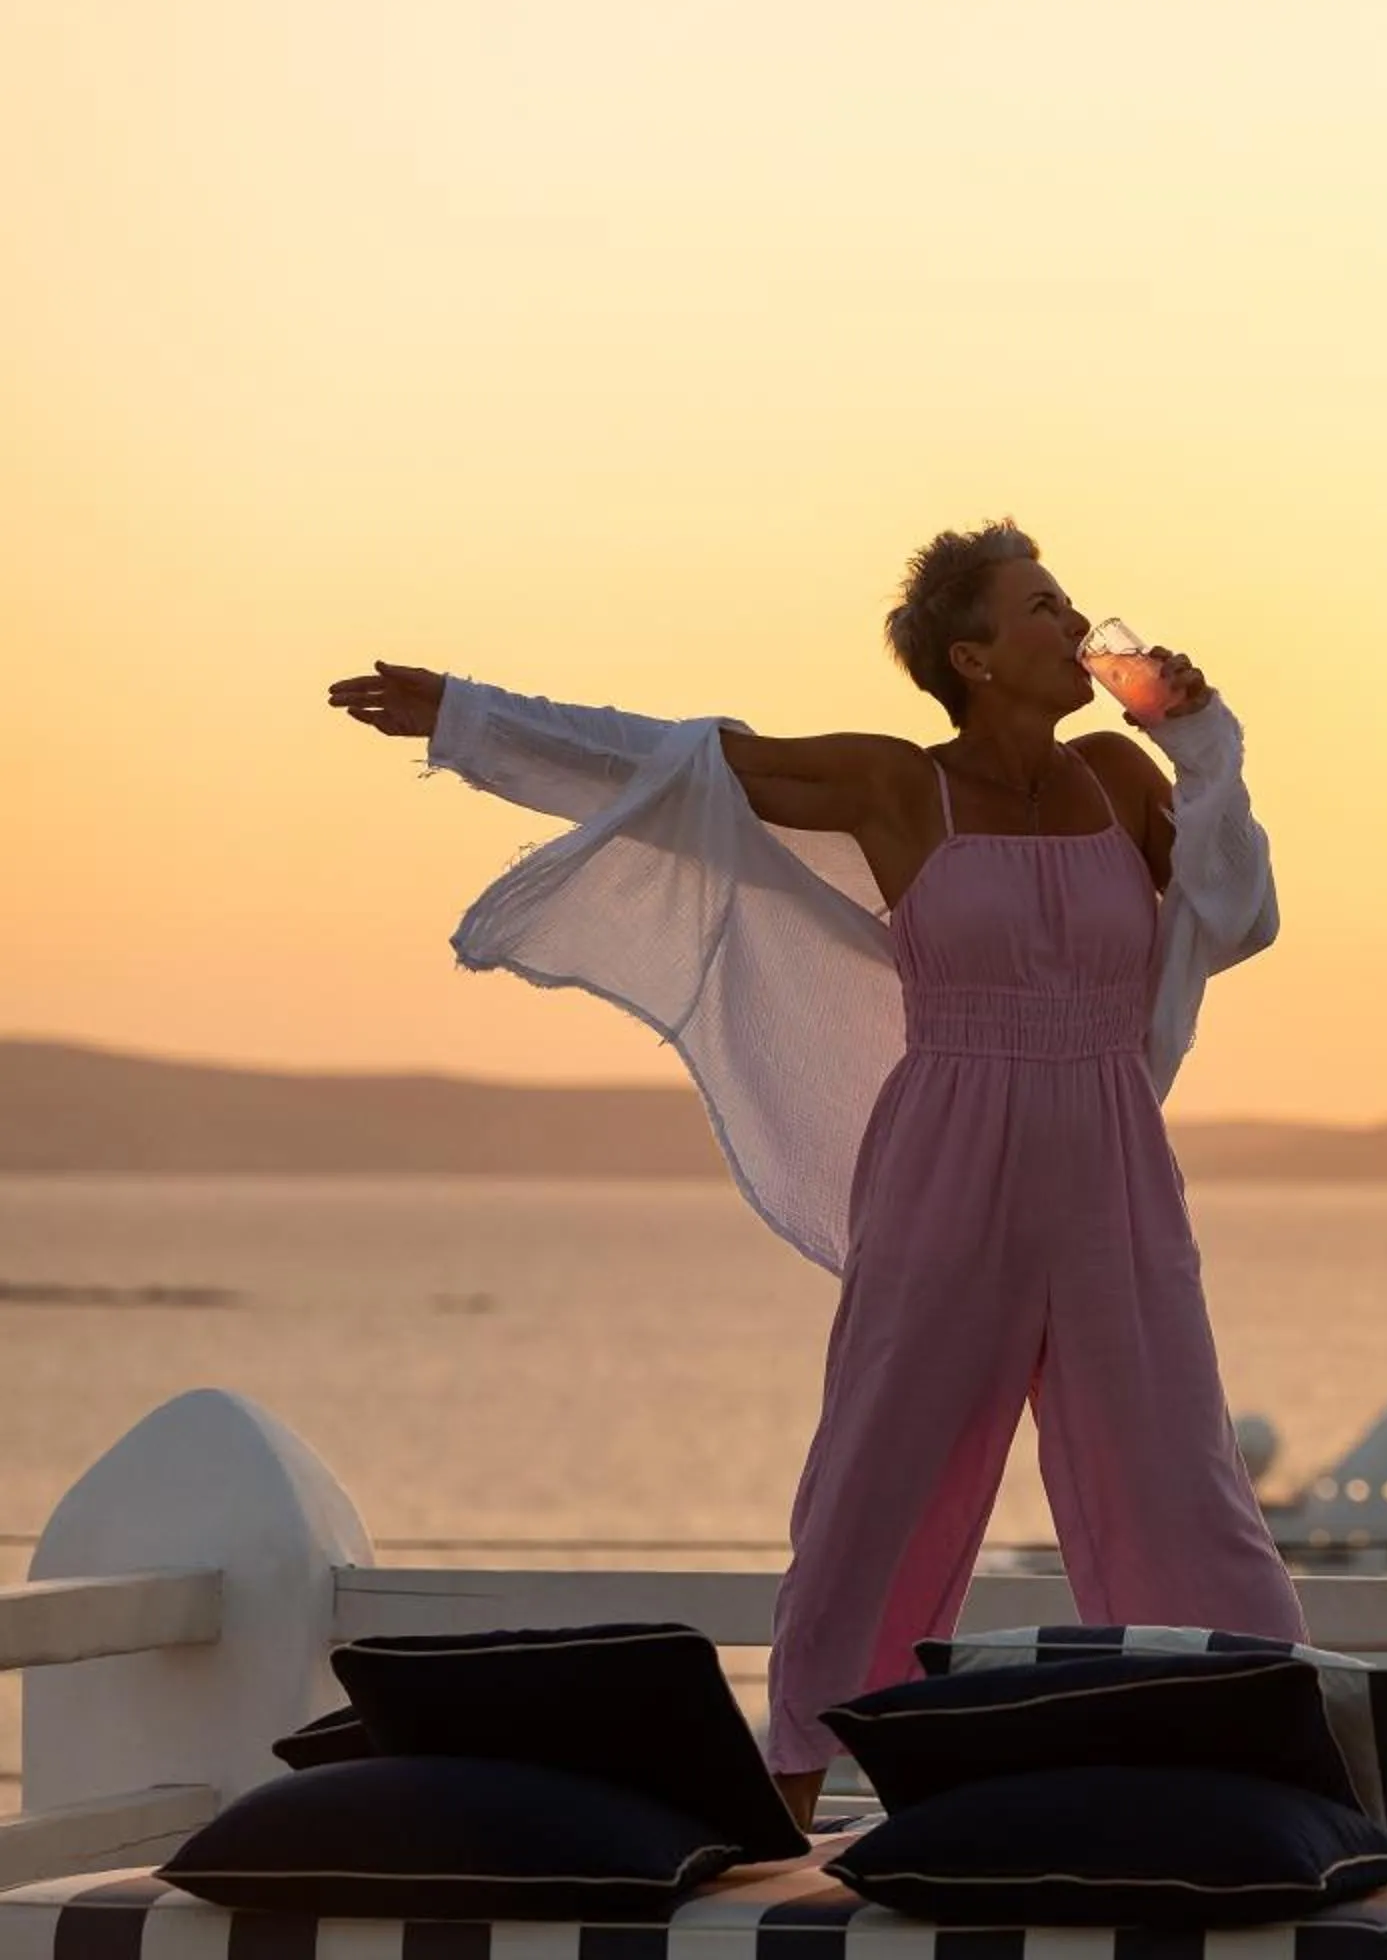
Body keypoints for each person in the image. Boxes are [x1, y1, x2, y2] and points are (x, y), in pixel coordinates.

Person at [329, 520, 1307, 1827]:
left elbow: (1240, 913)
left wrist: (1200, 739)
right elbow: (682, 763)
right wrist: (471, 716)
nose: (1072, 625)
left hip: (1114, 1160)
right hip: (949, 1160)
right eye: (1038, 608)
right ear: (969, 654)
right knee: (877, 1475)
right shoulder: (897, 786)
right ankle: (787, 1791)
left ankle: (1279, 1759)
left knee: (1180, 1475)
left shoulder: (1122, 783)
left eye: (1069, 600)